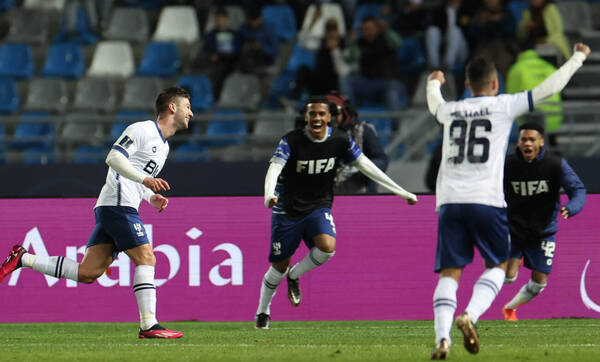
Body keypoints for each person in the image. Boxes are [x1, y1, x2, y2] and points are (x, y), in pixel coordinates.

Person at [426, 42, 590, 359]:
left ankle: (441, 339)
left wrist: (434, 81)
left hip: (449, 202)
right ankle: (470, 316)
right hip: (486, 200)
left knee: (450, 274)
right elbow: (548, 88)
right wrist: (578, 58)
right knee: (499, 268)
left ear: (467, 85)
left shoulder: (452, 110)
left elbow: (434, 103)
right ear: (495, 83)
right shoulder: (504, 104)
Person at [0, 86, 194, 339]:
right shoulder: (143, 130)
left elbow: (133, 174)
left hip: (120, 204)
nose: (192, 113)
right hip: (117, 204)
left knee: (88, 272)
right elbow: (114, 158)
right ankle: (149, 325)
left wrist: (149, 196)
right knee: (147, 258)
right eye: (187, 107)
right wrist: (146, 181)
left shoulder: (164, 147)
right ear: (172, 107)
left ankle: (22, 258)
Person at [254, 95, 418, 329]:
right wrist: (268, 194)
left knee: (327, 247)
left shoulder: (341, 140)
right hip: (287, 208)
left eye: (322, 114)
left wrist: (401, 192)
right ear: (306, 117)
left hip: (318, 205)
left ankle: (295, 275)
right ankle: (263, 311)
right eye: (312, 114)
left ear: (330, 118)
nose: (317, 118)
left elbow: (367, 166)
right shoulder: (291, 140)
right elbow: (275, 168)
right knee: (279, 265)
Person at [501, 122, 585, 321]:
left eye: (532, 139)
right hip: (515, 229)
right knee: (508, 277)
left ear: (540, 142)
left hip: (543, 230)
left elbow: (578, 189)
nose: (527, 143)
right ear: (519, 142)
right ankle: (516, 259)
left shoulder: (555, 164)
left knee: (539, 284)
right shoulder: (507, 164)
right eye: (523, 139)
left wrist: (572, 207)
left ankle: (509, 309)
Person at [326, 91, 389, 194]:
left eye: (335, 112)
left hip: (360, 192)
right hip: (328, 195)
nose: (330, 117)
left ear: (345, 111)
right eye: (326, 112)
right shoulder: (318, 134)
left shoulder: (363, 130)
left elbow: (382, 161)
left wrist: (360, 168)